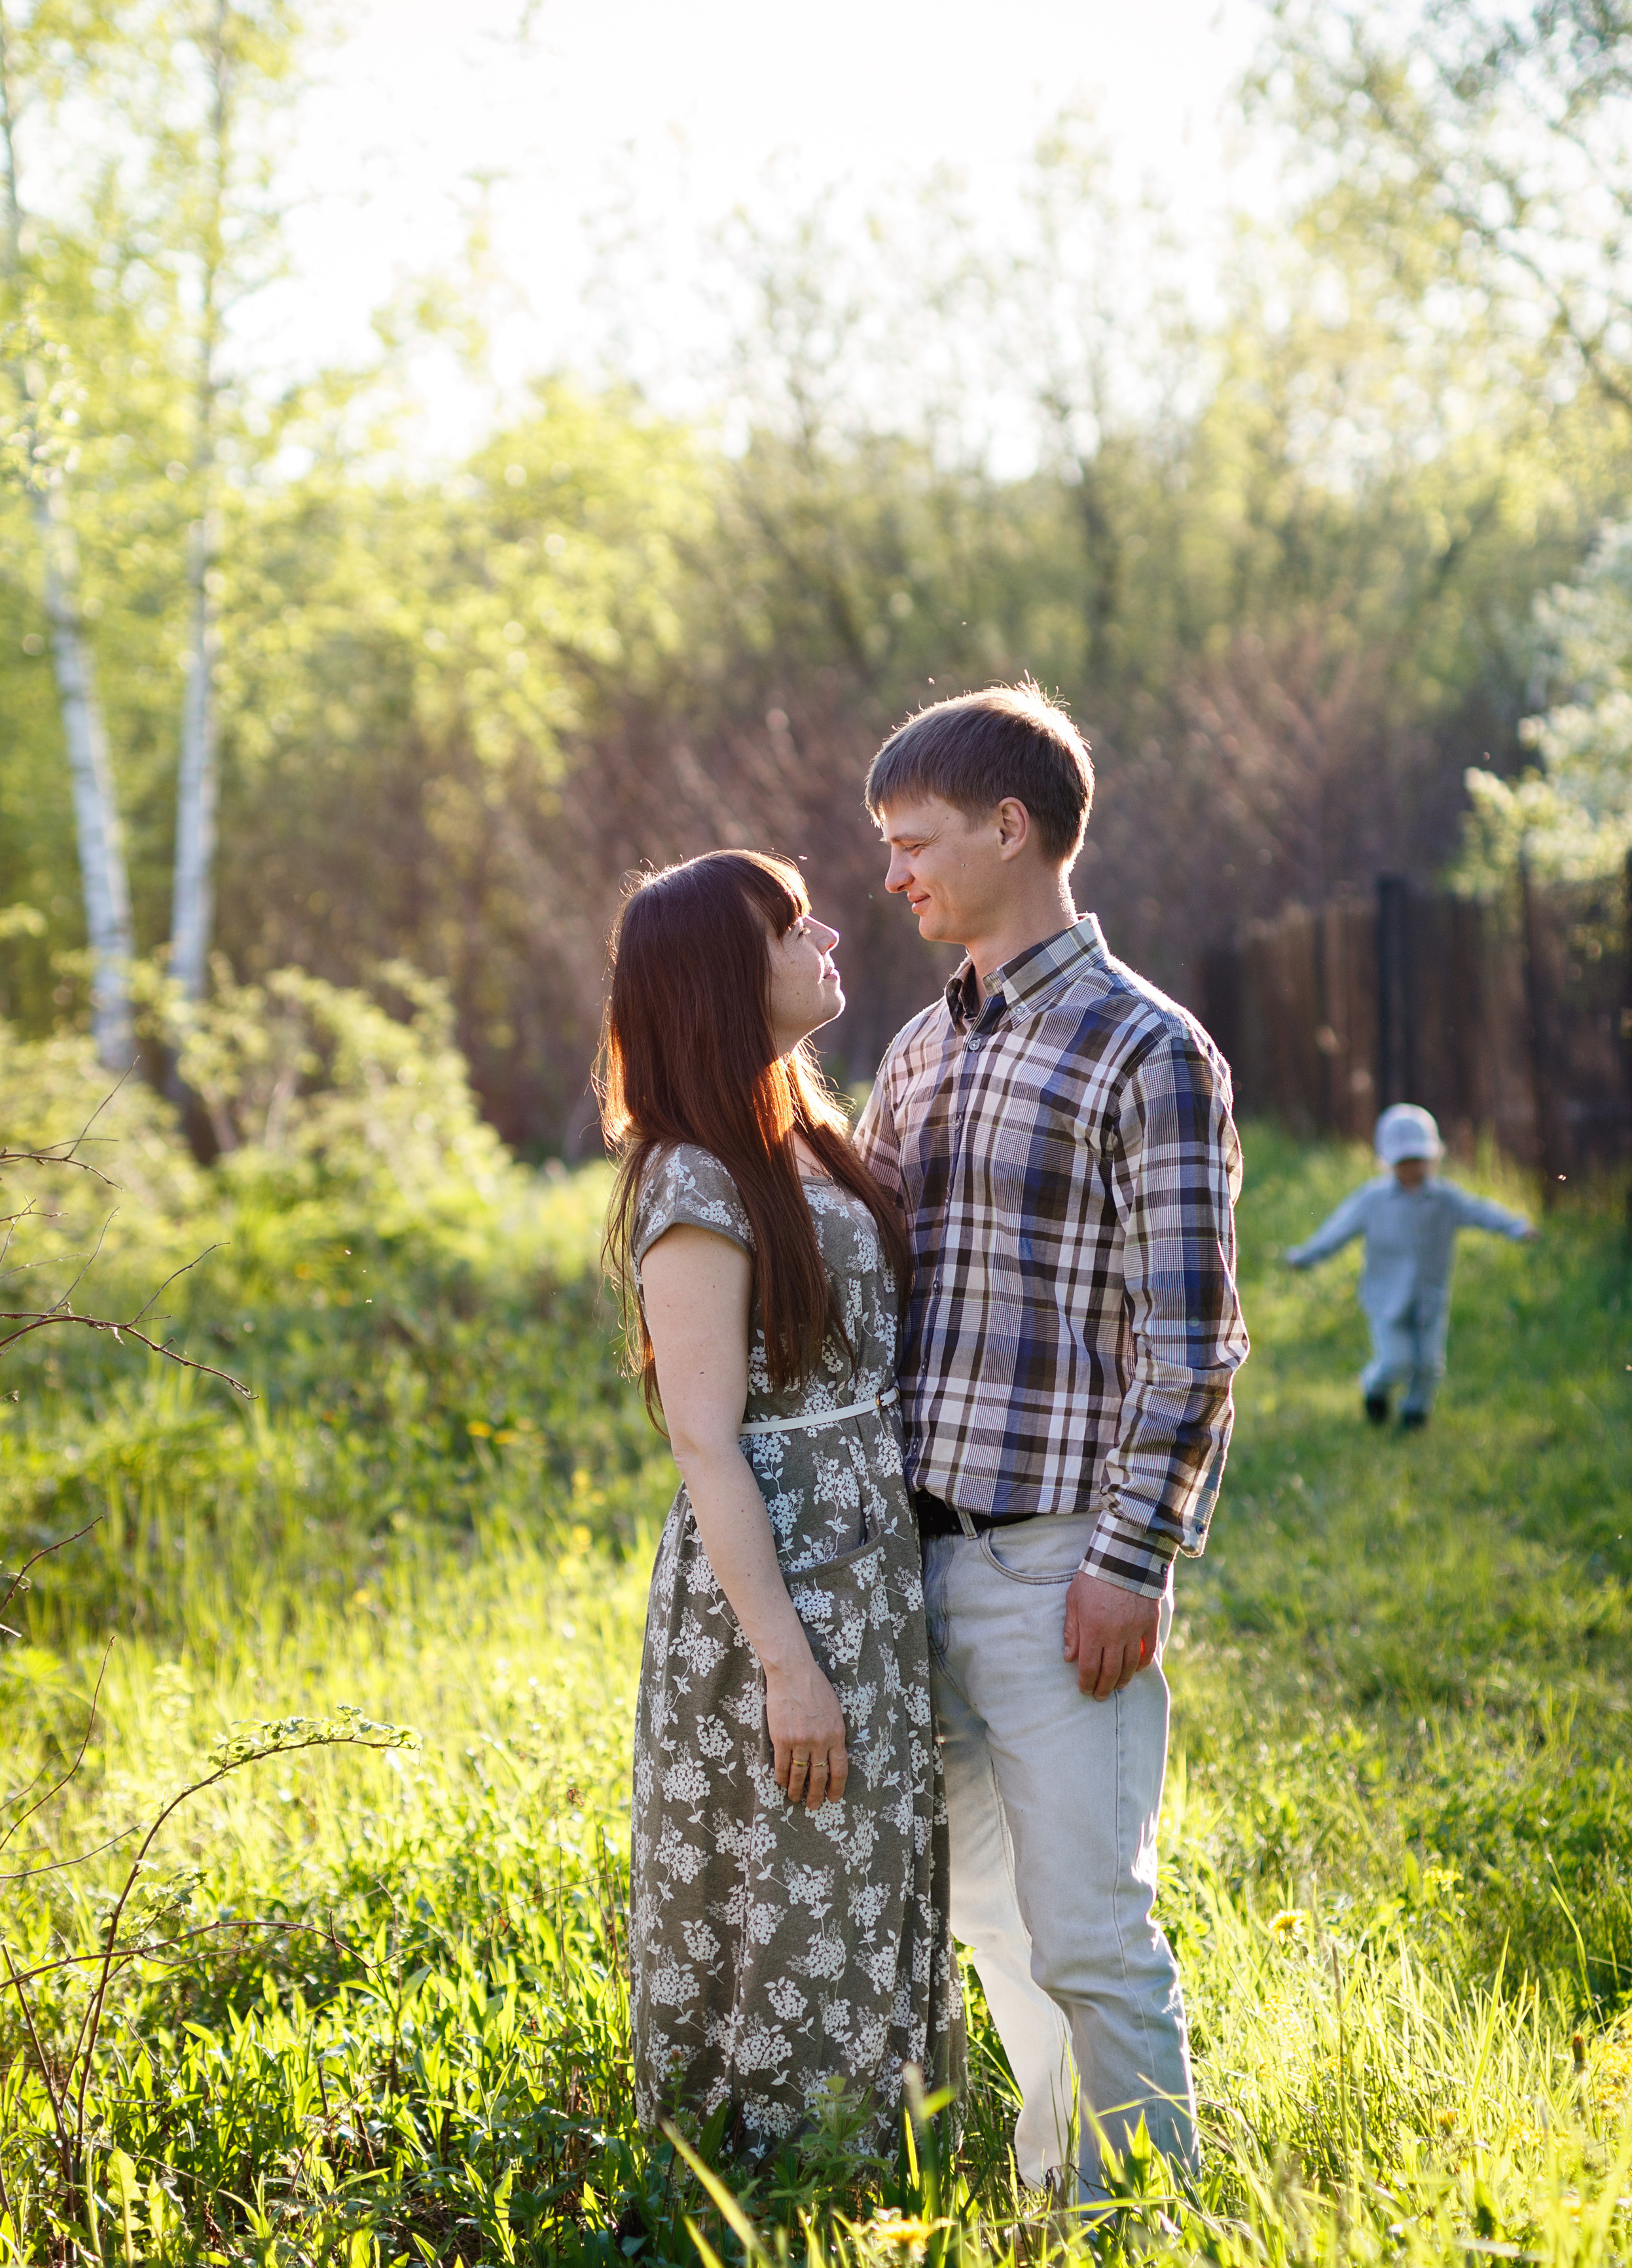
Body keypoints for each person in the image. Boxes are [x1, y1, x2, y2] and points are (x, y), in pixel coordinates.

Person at [854, 683, 1246, 2204]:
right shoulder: (913, 1051)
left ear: (1009, 827)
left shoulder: (1144, 1048)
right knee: (994, 1924)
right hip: (917, 1565)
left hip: (1053, 1572)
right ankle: (1051, 2188)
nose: (895, 872)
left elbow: (1189, 1337)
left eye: (914, 840)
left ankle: (1146, 2220)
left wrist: (1128, 1559)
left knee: (1088, 1926)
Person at [599, 849, 964, 2162]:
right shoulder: (695, 1179)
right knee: (786, 1878)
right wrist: (785, 1666)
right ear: (717, 974)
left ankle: (884, 2161)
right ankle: (767, 2181)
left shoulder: (809, 1136)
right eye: (784, 925)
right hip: (777, 1589)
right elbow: (703, 1440)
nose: (824, 937)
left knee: (864, 1869)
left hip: (862, 1567)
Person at [1284, 1101, 1538, 1429]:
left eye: (1418, 1160)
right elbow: (1338, 1229)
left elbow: (1481, 1212)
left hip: (1430, 1297)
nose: (1412, 1168)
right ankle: (1374, 1389)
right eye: (1403, 1161)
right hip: (1385, 1297)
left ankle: (1415, 1414)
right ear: (1389, 1161)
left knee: (1430, 1364)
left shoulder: (1445, 1199)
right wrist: (1306, 1256)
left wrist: (1516, 1227)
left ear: (1432, 1158)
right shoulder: (1373, 1200)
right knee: (1395, 1361)